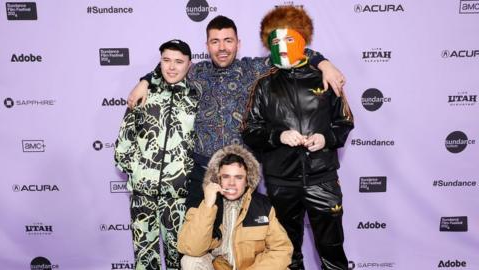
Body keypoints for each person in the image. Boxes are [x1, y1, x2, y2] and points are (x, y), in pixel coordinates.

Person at [127, 15, 347, 211]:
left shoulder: (254, 69)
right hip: (202, 171)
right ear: (207, 45)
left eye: (228, 41)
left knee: (245, 245)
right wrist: (145, 82)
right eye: (215, 41)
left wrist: (325, 64)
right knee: (198, 240)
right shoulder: (196, 72)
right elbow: (169, 68)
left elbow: (295, 51)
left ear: (238, 44)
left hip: (243, 173)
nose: (222, 48)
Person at [241, 6, 354, 270]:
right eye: (276, 40)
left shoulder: (326, 78)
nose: (282, 46)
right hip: (282, 184)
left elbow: (345, 122)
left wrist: (325, 139)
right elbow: (250, 130)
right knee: (286, 254)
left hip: (322, 180)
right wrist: (279, 136)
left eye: (289, 39)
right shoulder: (263, 84)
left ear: (303, 39)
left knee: (332, 251)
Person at [114, 39, 199, 270]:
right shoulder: (143, 93)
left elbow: (199, 144)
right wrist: (137, 172)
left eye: (179, 62)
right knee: (144, 258)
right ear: (160, 62)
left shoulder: (196, 98)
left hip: (178, 196)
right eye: (166, 60)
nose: (172, 67)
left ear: (189, 65)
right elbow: (125, 138)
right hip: (143, 193)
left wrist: (186, 177)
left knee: (178, 258)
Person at [177, 144, 293, 270]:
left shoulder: (263, 206)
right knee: (190, 261)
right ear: (218, 179)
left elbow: (281, 249)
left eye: (238, 177)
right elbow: (192, 248)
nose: (231, 183)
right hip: (218, 266)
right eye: (226, 177)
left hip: (251, 267)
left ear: (247, 180)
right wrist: (208, 206)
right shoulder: (203, 203)